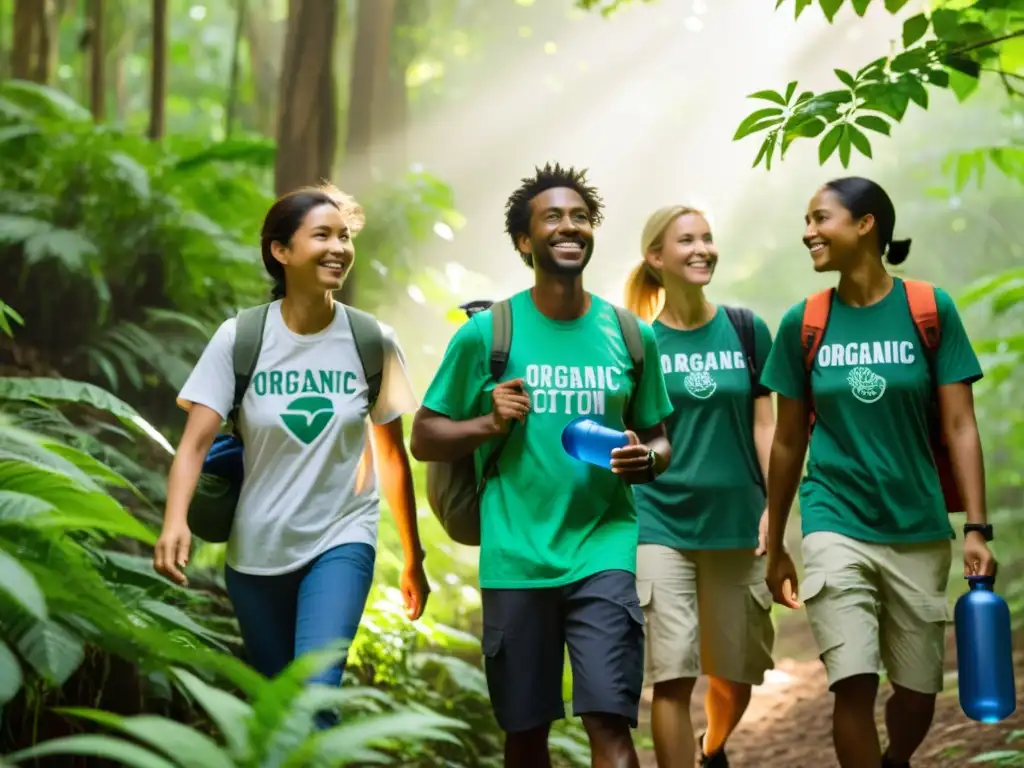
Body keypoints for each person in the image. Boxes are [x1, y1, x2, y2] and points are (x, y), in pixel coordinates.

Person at [410, 162, 674, 768]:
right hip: (516, 557)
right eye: (552, 217)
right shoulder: (486, 335)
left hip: (602, 549)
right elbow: (424, 436)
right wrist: (488, 423)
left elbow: (661, 439)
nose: (569, 226)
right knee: (525, 735)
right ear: (526, 242)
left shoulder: (629, 334)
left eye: (580, 217)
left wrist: (646, 460)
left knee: (611, 725)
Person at [153, 184, 430, 704]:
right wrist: (173, 523)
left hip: (342, 537)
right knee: (277, 708)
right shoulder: (241, 339)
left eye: (344, 237)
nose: (339, 248)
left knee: (313, 697)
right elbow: (193, 446)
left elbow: (392, 457)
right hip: (257, 549)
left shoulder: (373, 341)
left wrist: (413, 557)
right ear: (281, 252)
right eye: (321, 235)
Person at [760, 176, 997, 768]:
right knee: (853, 679)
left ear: (866, 225)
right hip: (834, 516)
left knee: (918, 691)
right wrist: (777, 538)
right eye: (807, 220)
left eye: (821, 219)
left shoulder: (928, 309)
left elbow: (961, 426)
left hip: (916, 522)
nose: (808, 232)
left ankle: (897, 762)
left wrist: (977, 527)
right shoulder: (805, 322)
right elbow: (788, 442)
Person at [623, 205, 777, 768]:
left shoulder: (746, 328)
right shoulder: (637, 341)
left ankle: (711, 748)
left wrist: (775, 510)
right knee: (672, 674)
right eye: (686, 240)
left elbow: (767, 427)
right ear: (656, 258)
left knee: (734, 675)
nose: (702, 249)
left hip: (738, 523)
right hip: (660, 522)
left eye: (707, 239)